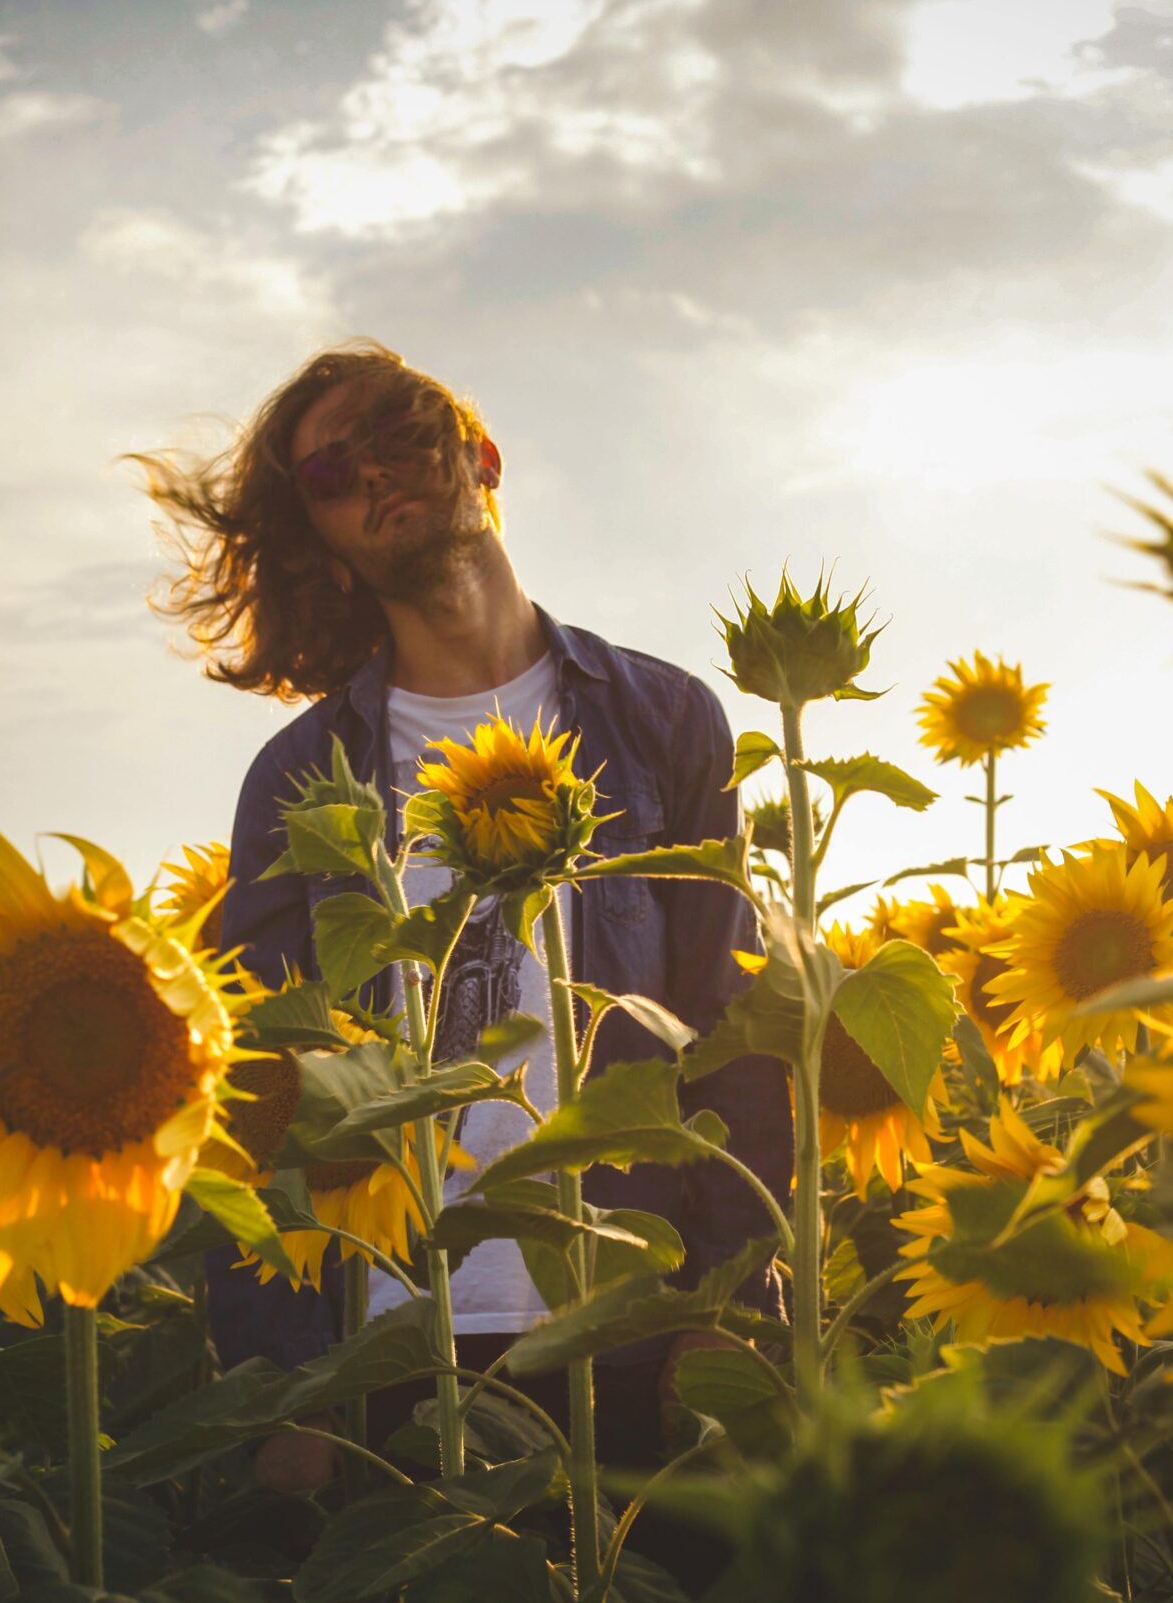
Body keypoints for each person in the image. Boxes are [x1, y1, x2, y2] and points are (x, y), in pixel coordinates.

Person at [142, 340, 789, 1492]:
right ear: (327, 543)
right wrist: (287, 1380)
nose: (374, 475)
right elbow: (261, 1090)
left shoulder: (660, 719)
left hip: (630, 1306)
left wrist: (728, 1303)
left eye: (397, 434)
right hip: (399, 1328)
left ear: (480, 457)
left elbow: (730, 1026)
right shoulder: (303, 778)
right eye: (332, 476)